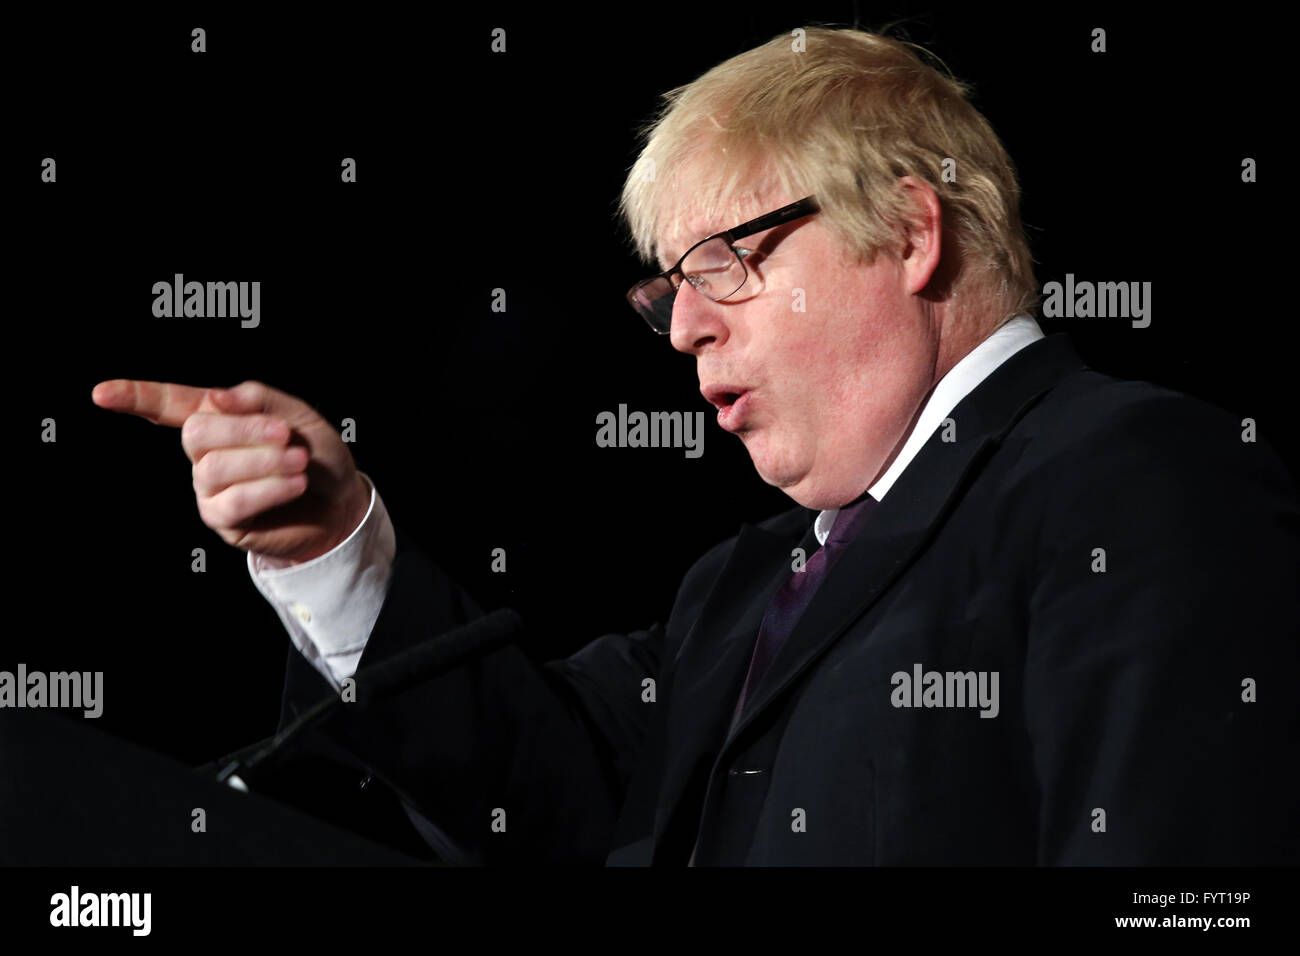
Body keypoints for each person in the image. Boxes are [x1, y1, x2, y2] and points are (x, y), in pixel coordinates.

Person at [91, 26, 1299, 865]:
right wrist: (331, 545)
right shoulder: (740, 585)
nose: (685, 328)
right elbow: (540, 796)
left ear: (911, 231)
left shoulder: (1131, 477)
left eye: (724, 261)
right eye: (669, 288)